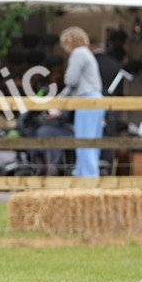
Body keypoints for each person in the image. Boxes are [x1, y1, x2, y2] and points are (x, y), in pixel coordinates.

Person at [54, 26, 105, 177]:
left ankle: (87, 179)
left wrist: (58, 103)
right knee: (93, 142)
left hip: (86, 101)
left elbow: (71, 80)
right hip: (97, 99)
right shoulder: (88, 53)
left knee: (84, 142)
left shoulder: (78, 53)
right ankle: (89, 177)